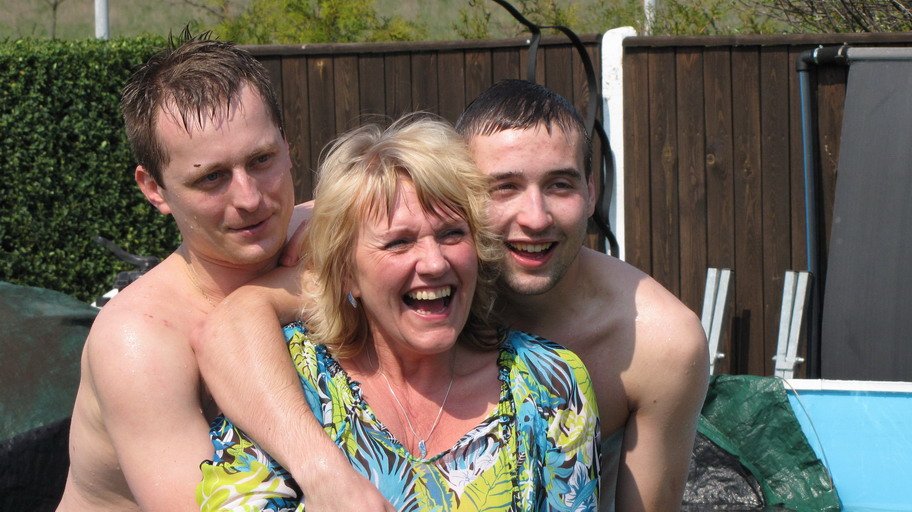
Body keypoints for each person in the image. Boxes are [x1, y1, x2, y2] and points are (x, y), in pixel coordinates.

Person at [193, 80, 708, 511]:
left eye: (560, 185)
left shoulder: (641, 348)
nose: (535, 218)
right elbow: (233, 324)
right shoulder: (313, 355)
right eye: (503, 187)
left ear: (592, 192)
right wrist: (323, 472)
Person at [56, 36, 391, 511]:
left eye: (261, 160)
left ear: (287, 146)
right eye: (211, 177)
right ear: (154, 189)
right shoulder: (139, 344)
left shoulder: (336, 228)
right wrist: (303, 283)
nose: (250, 198)